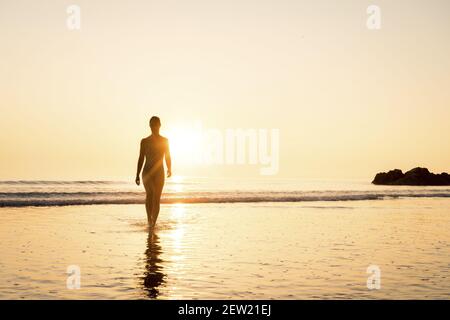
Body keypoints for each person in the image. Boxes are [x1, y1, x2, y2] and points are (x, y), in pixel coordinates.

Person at [135, 116, 171, 228]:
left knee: (157, 197)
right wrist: (137, 174)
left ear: (159, 125)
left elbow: (167, 156)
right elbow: (141, 158)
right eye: (151, 125)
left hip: (159, 172)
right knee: (150, 194)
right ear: (149, 126)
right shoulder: (144, 141)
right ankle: (149, 221)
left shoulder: (165, 141)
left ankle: (153, 223)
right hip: (147, 171)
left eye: (155, 124)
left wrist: (169, 168)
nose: (153, 127)